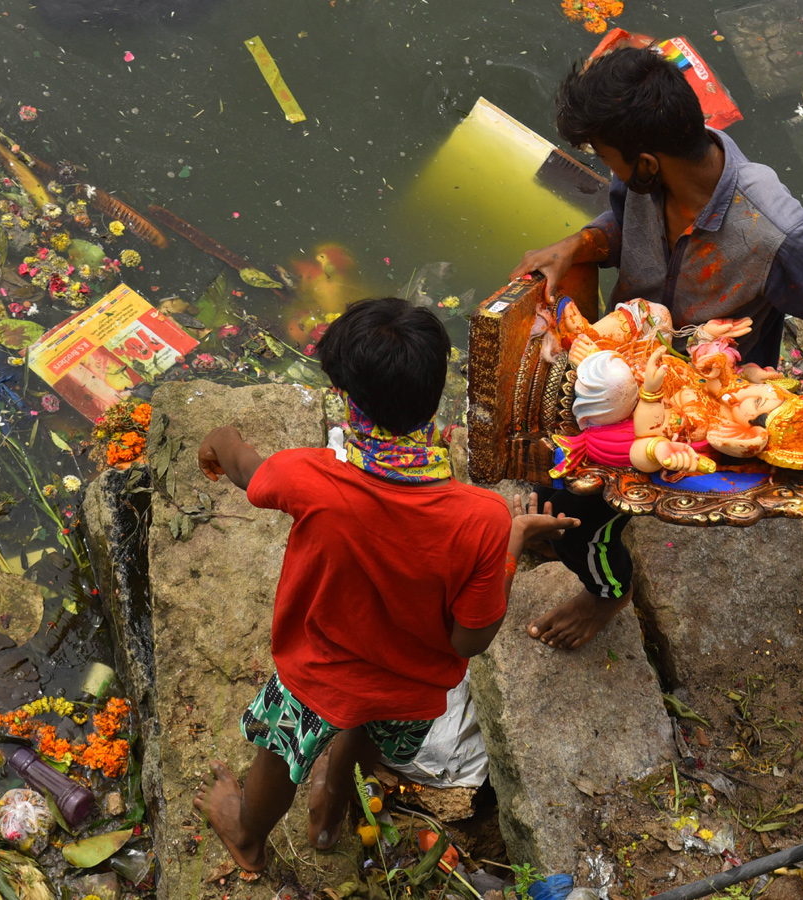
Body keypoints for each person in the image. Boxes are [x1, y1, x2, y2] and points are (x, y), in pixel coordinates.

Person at [509, 45, 803, 651]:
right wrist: (577, 245)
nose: (610, 172)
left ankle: (608, 591)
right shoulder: (646, 185)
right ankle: (570, 528)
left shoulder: (773, 228)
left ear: (648, 161)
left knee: (583, 510)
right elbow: (619, 223)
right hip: (632, 364)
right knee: (559, 480)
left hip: (708, 397)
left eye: (608, 159)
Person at [193, 297, 576, 875]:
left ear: (350, 401)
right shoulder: (482, 518)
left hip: (317, 671)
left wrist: (219, 438)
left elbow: (250, 471)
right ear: (433, 396)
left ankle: (247, 831)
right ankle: (332, 804)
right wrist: (511, 543)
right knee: (367, 735)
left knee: (279, 751)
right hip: (409, 689)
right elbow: (470, 640)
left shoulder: (310, 476)